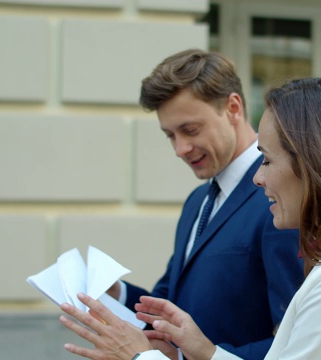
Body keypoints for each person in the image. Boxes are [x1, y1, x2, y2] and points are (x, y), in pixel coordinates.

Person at [60, 77, 321, 359]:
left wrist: (140, 358)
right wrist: (201, 350)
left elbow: (280, 335)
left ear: (317, 166)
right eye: (170, 135)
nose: (259, 175)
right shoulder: (199, 202)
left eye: (267, 159)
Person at [100, 49, 304, 360]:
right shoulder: (197, 201)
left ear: (233, 108)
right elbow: (168, 301)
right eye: (170, 135)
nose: (180, 149)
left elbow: (298, 339)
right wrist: (117, 293)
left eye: (190, 130)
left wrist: (192, 356)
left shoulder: (280, 199)